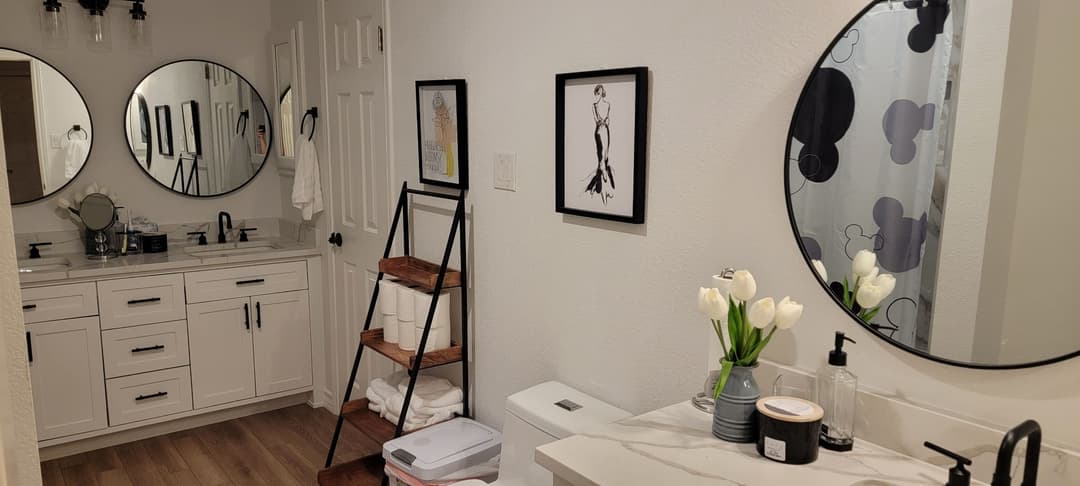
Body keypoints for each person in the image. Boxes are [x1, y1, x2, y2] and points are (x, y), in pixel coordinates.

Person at [584, 84, 614, 203]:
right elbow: (596, 120)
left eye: (600, 91)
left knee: (605, 154)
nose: (599, 93)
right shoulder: (594, 106)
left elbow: (609, 119)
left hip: (606, 129)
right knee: (600, 155)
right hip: (599, 130)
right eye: (597, 91)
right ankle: (602, 176)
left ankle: (597, 182)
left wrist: (606, 122)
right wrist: (602, 122)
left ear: (603, 92)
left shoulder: (608, 104)